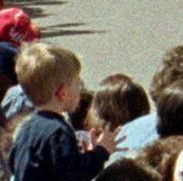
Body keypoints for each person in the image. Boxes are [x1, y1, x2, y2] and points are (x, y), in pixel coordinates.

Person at [7, 43, 118, 179]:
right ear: (63, 93)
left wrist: (85, 155)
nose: (80, 89)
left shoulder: (26, 127)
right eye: (77, 84)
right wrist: (101, 151)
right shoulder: (57, 132)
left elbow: (13, 163)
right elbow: (74, 174)